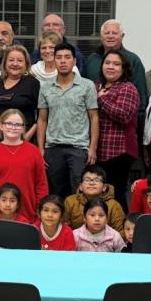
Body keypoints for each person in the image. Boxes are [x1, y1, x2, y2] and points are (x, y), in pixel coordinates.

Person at [37, 43, 99, 197]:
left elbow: (94, 117)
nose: (63, 61)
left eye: (67, 57)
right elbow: (42, 119)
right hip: (53, 148)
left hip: (78, 148)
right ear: (53, 60)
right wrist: (40, 149)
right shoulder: (45, 87)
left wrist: (92, 148)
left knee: (79, 193)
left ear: (74, 61)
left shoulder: (87, 86)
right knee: (56, 194)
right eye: (58, 57)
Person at [0, 109, 48, 223]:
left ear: (23, 128)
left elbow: (41, 185)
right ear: (1, 125)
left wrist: (41, 213)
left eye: (18, 124)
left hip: (27, 214)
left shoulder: (34, 152)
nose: (13, 127)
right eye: (8, 123)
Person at [95, 50, 140, 211]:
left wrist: (101, 99)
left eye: (116, 64)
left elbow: (124, 115)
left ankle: (122, 231)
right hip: (99, 149)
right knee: (101, 195)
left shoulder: (128, 88)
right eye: (107, 63)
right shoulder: (97, 86)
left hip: (119, 151)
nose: (111, 67)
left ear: (123, 68)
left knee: (116, 194)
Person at [83, 20, 148, 115]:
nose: (110, 36)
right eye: (107, 33)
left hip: (122, 120)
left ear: (122, 36)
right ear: (101, 37)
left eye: (114, 33)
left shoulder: (133, 60)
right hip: (93, 118)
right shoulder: (92, 59)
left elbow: (141, 96)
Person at [0, 45, 39, 144]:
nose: (15, 63)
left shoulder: (32, 83)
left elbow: (41, 115)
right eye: (11, 60)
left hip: (21, 142)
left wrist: (28, 136)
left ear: (26, 64)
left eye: (19, 60)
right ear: (5, 63)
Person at [63, 165, 125, 232]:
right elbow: (64, 228)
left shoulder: (113, 205)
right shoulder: (70, 201)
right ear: (80, 186)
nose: (91, 183)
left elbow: (121, 232)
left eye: (97, 180)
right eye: (87, 180)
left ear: (104, 187)